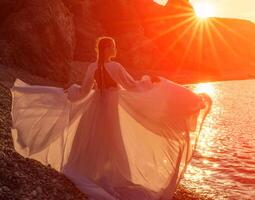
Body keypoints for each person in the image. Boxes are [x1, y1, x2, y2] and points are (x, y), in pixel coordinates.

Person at [10, 36, 212, 200]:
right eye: (113, 46)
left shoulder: (92, 67)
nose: (115, 49)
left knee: (94, 140)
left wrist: (70, 93)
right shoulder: (114, 67)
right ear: (109, 49)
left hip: (95, 108)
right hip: (110, 109)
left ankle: (92, 172)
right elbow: (132, 86)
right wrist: (150, 82)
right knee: (111, 141)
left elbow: (84, 90)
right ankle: (108, 176)